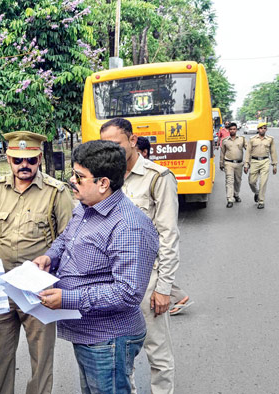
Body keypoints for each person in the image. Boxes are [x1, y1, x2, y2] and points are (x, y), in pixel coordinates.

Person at [35, 140, 159, 393]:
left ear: (103, 183)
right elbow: (67, 239)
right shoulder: (86, 208)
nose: (72, 181)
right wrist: (50, 257)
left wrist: (68, 298)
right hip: (87, 333)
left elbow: (128, 292)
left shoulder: (128, 226)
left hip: (108, 339)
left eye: (79, 177)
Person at [0, 130, 74, 394]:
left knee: (41, 360)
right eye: (18, 160)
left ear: (39, 159)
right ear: (8, 158)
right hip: (3, 287)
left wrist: (56, 287)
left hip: (39, 291)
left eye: (31, 160)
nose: (25, 166)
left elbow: (69, 242)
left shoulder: (57, 193)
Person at [100, 118, 180, 394]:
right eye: (105, 146)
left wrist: (164, 287)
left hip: (147, 281)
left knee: (158, 354)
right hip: (112, 284)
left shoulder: (158, 177)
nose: (110, 151)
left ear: (133, 141)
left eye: (116, 144)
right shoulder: (105, 179)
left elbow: (169, 237)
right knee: (121, 354)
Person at [134, 136, 192, 317]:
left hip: (152, 256)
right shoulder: (116, 179)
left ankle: (180, 297)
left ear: (142, 152)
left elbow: (168, 232)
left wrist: (164, 290)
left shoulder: (157, 178)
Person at [244, 122, 277, 209]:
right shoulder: (252, 139)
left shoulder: (270, 139)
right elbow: (248, 152)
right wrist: (246, 164)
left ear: (266, 129)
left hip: (265, 161)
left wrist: (274, 165)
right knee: (251, 181)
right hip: (254, 161)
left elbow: (273, 152)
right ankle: (256, 192)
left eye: (264, 128)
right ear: (258, 129)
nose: (263, 129)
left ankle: (261, 201)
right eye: (261, 128)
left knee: (263, 182)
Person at [220, 122, 246, 208]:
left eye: (234, 129)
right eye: (230, 129)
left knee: (238, 181)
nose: (232, 131)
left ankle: (236, 194)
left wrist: (247, 162)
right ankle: (229, 199)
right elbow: (222, 153)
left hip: (239, 163)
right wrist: (221, 163)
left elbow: (248, 149)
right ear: (228, 130)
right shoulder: (225, 141)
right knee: (229, 181)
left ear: (236, 129)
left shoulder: (242, 139)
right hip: (228, 163)